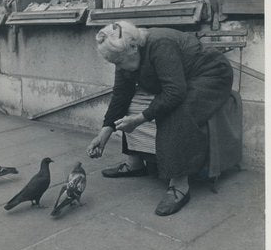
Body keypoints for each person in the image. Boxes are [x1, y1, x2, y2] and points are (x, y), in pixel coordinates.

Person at [86, 21, 233, 216]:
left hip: (211, 75)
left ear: (133, 47)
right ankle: (135, 164)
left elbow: (175, 93)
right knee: (132, 102)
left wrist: (140, 118)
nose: (119, 67)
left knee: (176, 111)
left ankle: (179, 185)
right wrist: (105, 131)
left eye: (119, 62)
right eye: (115, 63)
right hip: (182, 77)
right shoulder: (123, 50)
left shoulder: (160, 44)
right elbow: (121, 94)